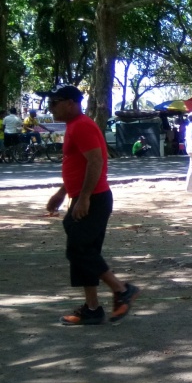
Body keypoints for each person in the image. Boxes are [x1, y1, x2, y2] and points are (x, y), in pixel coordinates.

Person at [44, 85, 139, 325]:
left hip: (94, 198)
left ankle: (121, 290)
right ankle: (92, 308)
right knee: (84, 252)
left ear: (70, 103)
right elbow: (78, 164)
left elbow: (96, 161)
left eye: (54, 102)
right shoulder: (74, 126)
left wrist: (84, 197)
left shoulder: (82, 125)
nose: (50, 107)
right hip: (85, 196)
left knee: (78, 250)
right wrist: (62, 192)